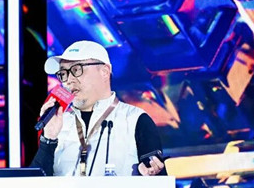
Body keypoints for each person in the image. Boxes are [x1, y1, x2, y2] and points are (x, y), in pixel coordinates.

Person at [30, 40, 166, 177]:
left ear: (104, 72)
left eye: (76, 70)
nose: (69, 80)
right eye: (63, 73)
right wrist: (49, 139)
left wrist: (150, 174)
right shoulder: (59, 123)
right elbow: (34, 185)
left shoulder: (135, 119)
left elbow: (158, 177)